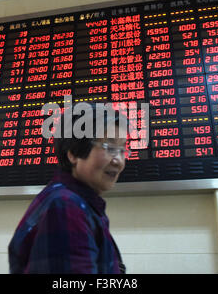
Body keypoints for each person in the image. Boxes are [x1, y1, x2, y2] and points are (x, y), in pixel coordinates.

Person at [8, 103, 128, 273]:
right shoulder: (66, 207)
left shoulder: (77, 203)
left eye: (122, 149)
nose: (119, 161)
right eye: (109, 147)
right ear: (73, 153)